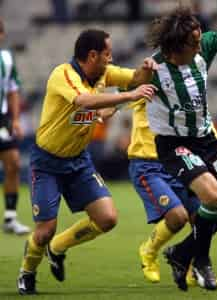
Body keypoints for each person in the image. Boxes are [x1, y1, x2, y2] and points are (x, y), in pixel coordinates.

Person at [17, 29, 157, 295]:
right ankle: (27, 272)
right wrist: (128, 96)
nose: (111, 58)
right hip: (47, 162)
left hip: (79, 161)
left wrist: (146, 68)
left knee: (107, 218)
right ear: (92, 55)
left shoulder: (104, 73)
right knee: (44, 230)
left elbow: (136, 79)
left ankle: (57, 248)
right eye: (107, 53)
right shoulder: (63, 75)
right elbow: (84, 100)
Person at [145, 7, 217, 290]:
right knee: (213, 197)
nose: (199, 44)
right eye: (193, 42)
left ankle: (181, 253)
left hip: (205, 139)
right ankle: (200, 261)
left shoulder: (203, 48)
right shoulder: (153, 70)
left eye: (199, 38)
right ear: (176, 47)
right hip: (174, 144)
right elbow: (122, 86)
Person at [127, 98, 217, 288]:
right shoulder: (149, 83)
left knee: (202, 218)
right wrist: (103, 110)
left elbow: (205, 125)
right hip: (148, 164)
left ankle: (194, 270)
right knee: (177, 216)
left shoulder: (186, 91)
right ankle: (149, 250)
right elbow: (122, 89)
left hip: (178, 161)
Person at [0, 19, 30, 235]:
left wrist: (16, 120)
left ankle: (10, 218)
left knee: (14, 164)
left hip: (2, 119)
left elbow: (12, 90)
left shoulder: (6, 59)